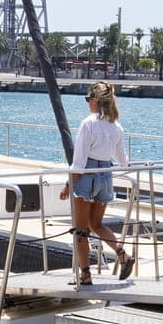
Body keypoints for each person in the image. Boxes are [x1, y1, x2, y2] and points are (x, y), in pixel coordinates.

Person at [57, 81, 133, 285]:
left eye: (87, 99)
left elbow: (79, 162)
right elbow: (122, 160)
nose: (86, 103)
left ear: (95, 100)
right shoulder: (116, 126)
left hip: (88, 175)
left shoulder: (88, 123)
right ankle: (122, 255)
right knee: (96, 224)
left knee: (81, 229)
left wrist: (68, 184)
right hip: (106, 175)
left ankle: (85, 275)